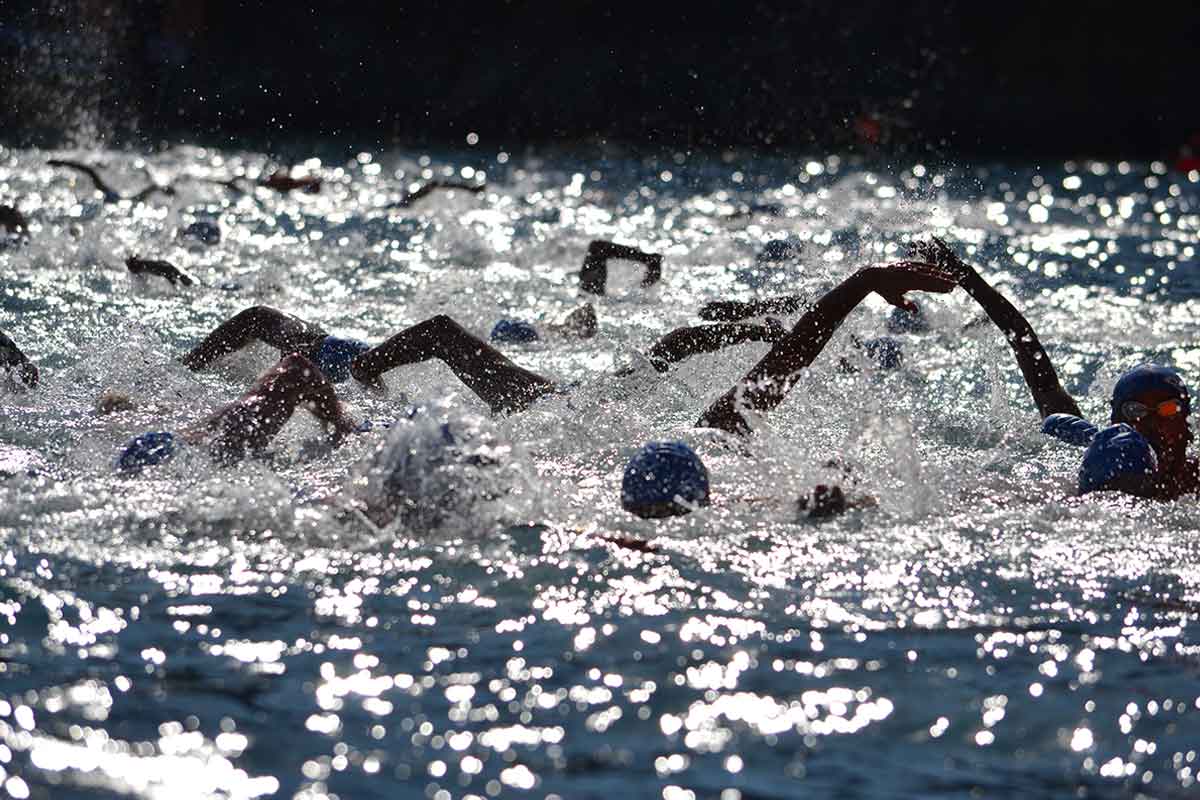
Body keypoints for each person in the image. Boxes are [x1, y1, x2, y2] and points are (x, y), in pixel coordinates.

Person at [910, 237, 1196, 499]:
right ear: (1115, 422)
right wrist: (967, 278)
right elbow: (1034, 364)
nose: (1152, 422)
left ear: (1187, 426)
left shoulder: (1193, 480)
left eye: (1168, 409)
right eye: (1136, 411)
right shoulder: (1095, 464)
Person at [116, 354, 359, 472]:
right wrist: (340, 424)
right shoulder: (271, 401)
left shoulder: (252, 406)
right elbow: (299, 364)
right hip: (177, 448)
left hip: (166, 443)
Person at [47, 159, 175, 204]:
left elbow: (89, 171)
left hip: (116, 198)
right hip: (117, 197)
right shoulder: (135, 199)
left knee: (91, 173)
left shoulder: (133, 199)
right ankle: (62, 162)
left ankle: (62, 162)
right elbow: (88, 171)